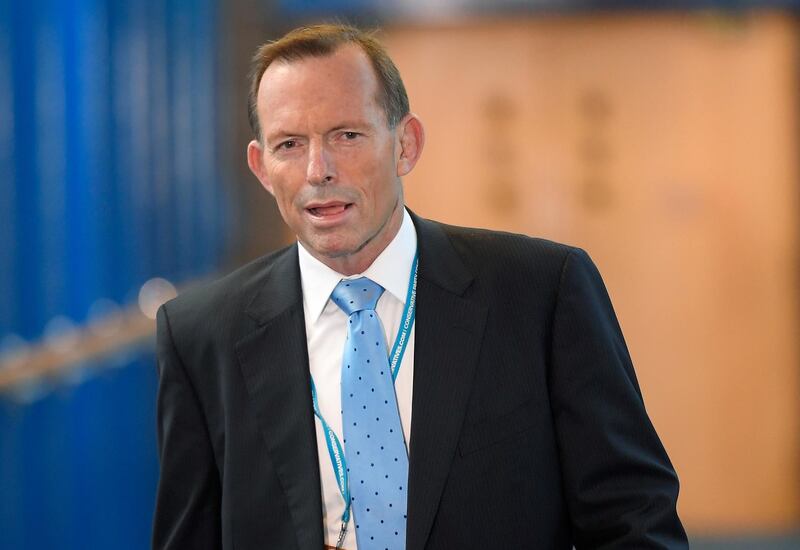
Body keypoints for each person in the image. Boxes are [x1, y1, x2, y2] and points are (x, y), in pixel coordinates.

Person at [152, 23, 688, 550]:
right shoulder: (202, 335)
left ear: (405, 145)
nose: (319, 170)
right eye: (289, 144)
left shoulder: (541, 292)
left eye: (347, 135)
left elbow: (634, 519)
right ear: (262, 168)